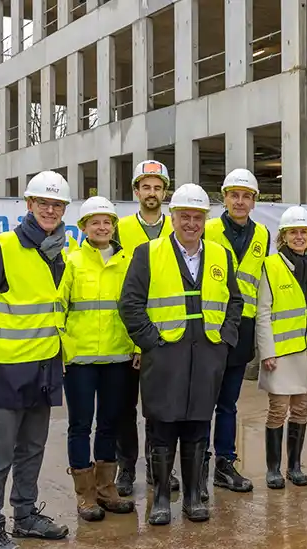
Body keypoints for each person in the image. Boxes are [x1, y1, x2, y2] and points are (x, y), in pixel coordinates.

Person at [118, 183, 244, 525]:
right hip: (165, 357)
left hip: (207, 355)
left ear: (205, 220)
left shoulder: (221, 254)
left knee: (198, 425)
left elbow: (235, 301)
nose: (191, 223)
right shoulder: (148, 252)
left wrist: (225, 339)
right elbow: (129, 303)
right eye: (184, 216)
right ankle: (160, 498)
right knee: (162, 426)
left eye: (197, 217)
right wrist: (150, 341)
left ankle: (192, 496)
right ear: (172, 218)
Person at [0, 171, 72, 549]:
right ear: (29, 205)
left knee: (32, 448)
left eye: (56, 205)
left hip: (43, 368)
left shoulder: (60, 252)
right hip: (6, 370)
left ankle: (25, 516)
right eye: (43, 203)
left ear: (63, 210)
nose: (49, 209)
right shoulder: (4, 247)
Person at [60, 197, 136, 521]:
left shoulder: (127, 262)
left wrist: (137, 347)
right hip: (80, 361)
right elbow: (58, 308)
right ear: (83, 228)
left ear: (114, 226)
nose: (102, 227)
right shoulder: (71, 261)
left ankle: (107, 489)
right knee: (80, 425)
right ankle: (85, 496)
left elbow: (135, 308)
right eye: (95, 222)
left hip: (118, 358)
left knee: (109, 425)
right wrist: (63, 350)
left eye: (107, 222)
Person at [202, 168, 269, 496]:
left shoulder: (263, 235)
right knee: (201, 402)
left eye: (247, 196)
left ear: (254, 202)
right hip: (209, 327)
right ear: (224, 198)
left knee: (228, 404)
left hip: (242, 327)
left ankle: (225, 465)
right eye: (234, 195)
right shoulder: (208, 228)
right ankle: (197, 465)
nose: (240, 201)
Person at [113, 160, 178, 496]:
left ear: (164, 192)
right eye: (146, 187)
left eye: (158, 187)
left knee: (159, 406)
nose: (152, 193)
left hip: (164, 335)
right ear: (136, 191)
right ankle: (126, 468)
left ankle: (158, 467)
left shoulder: (176, 229)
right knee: (125, 407)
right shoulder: (119, 228)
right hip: (126, 334)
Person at [256, 206, 307, 489]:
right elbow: (263, 312)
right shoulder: (270, 266)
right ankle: (273, 469)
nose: (299, 237)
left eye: (304, 232)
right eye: (293, 232)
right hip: (281, 353)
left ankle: (294, 467)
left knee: (301, 409)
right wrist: (267, 351)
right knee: (278, 410)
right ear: (283, 236)